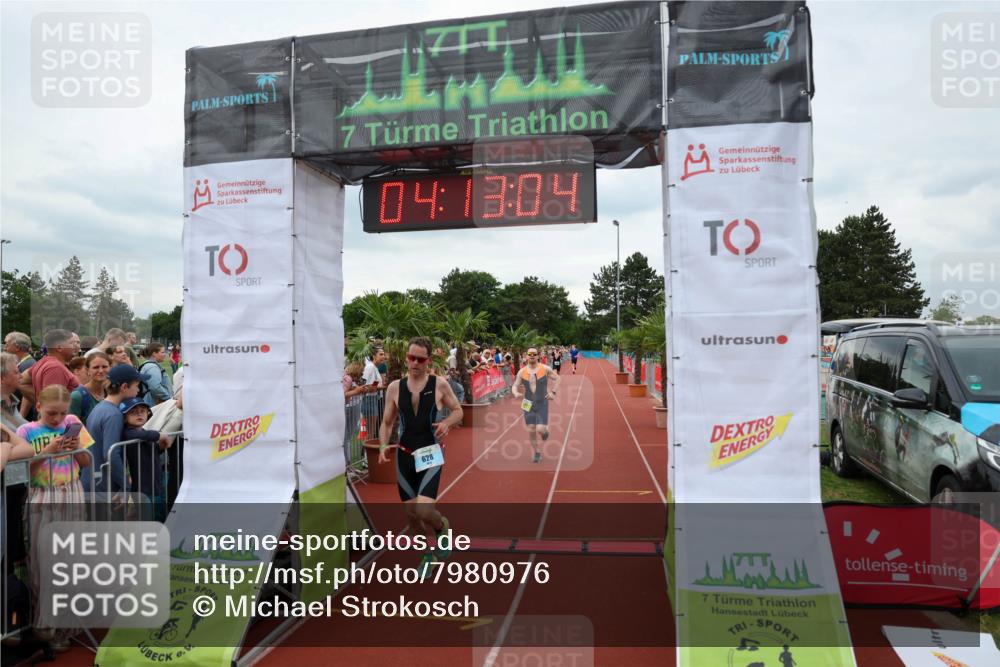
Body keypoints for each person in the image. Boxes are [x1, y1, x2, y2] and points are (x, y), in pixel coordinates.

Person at [16, 384, 93, 652]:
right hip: (41, 496)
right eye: (52, 414)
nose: (58, 419)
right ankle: (45, 624)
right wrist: (45, 452)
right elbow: (21, 469)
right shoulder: (25, 431)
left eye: (62, 413)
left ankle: (68, 626)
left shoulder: (73, 422)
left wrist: (76, 447)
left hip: (72, 493)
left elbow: (86, 462)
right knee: (42, 561)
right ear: (38, 406)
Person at [378, 337, 462, 575]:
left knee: (425, 512)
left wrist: (446, 422)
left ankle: (441, 525)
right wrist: (384, 446)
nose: (414, 363)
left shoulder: (439, 385)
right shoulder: (395, 387)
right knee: (412, 515)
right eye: (410, 357)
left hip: (430, 454)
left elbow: (458, 411)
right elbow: (386, 423)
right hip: (404, 455)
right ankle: (428, 555)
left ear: (429, 360)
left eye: (420, 359)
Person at [83, 364, 142, 494]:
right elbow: (111, 453)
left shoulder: (100, 407)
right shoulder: (113, 414)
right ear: (124, 387)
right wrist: (125, 485)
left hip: (93, 479)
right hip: (103, 485)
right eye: (136, 385)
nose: (138, 390)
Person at [119, 397, 170, 520]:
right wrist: (158, 435)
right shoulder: (129, 433)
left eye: (142, 411)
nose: (139, 414)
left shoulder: (145, 433)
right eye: (133, 412)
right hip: (143, 488)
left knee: (160, 515)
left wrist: (161, 447)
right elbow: (139, 435)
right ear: (125, 417)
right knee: (147, 519)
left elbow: (152, 451)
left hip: (156, 484)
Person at [511, 347, 561, 463]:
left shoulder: (545, 369)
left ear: (538, 356)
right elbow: (514, 385)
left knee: (540, 429)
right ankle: (537, 452)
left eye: (534, 354)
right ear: (526, 356)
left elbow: (558, 379)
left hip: (542, 402)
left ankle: (545, 432)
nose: (532, 355)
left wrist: (553, 392)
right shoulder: (521, 372)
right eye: (530, 354)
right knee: (531, 429)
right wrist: (515, 392)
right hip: (528, 403)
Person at [19, 329, 81, 418]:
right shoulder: (55, 368)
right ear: (59, 347)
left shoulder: (44, 362)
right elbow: (53, 406)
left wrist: (39, 400)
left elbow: (21, 380)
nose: (76, 347)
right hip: (59, 427)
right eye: (71, 343)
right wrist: (40, 401)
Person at [69, 352, 111, 424]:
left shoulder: (111, 392)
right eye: (96, 367)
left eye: (104, 367)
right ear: (87, 370)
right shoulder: (77, 396)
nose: (100, 371)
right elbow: (72, 431)